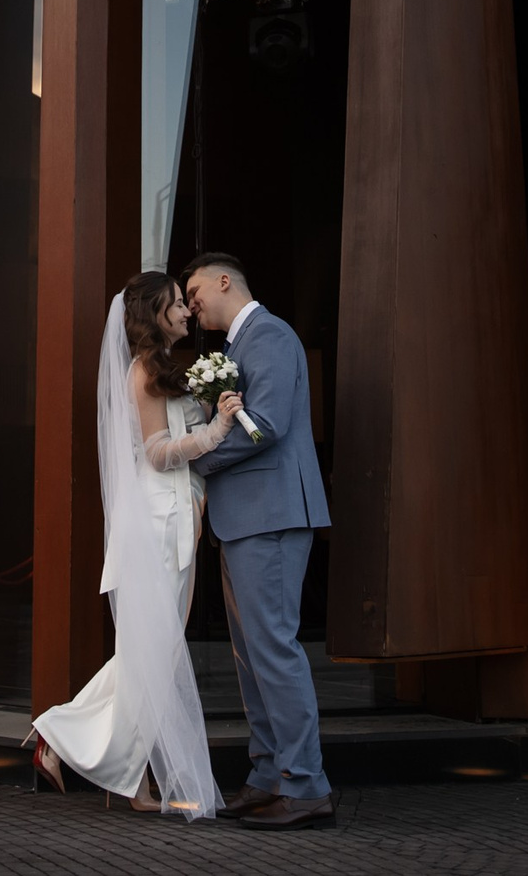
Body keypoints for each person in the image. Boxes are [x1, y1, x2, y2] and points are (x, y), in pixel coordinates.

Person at [26, 271, 244, 817]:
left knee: (151, 655)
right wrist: (216, 430)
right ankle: (68, 739)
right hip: (156, 522)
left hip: (174, 520)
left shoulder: (164, 369)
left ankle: (119, 775)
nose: (187, 312)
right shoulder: (146, 369)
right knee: (153, 655)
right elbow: (156, 452)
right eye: (177, 304)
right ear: (156, 313)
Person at [183, 252, 334, 829]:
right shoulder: (243, 344)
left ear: (225, 281)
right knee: (252, 658)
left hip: (268, 514)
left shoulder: (267, 335)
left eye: (194, 291)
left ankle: (306, 786)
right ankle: (270, 775)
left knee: (272, 649)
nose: (191, 304)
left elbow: (263, 424)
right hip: (247, 518)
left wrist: (193, 464)